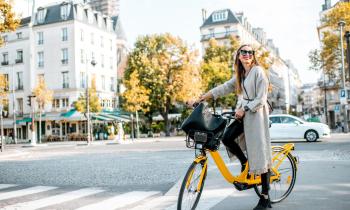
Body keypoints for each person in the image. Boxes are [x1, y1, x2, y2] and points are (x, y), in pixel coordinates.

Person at [190, 44, 273, 210]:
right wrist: (201, 98)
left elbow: (262, 98)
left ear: (253, 55)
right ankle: (245, 162)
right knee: (227, 137)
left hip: (256, 115)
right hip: (243, 114)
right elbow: (224, 88)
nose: (247, 54)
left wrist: (245, 108)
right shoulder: (240, 75)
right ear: (239, 55)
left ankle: (265, 196)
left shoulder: (258, 71)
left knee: (259, 152)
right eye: (244, 52)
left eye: (250, 52)